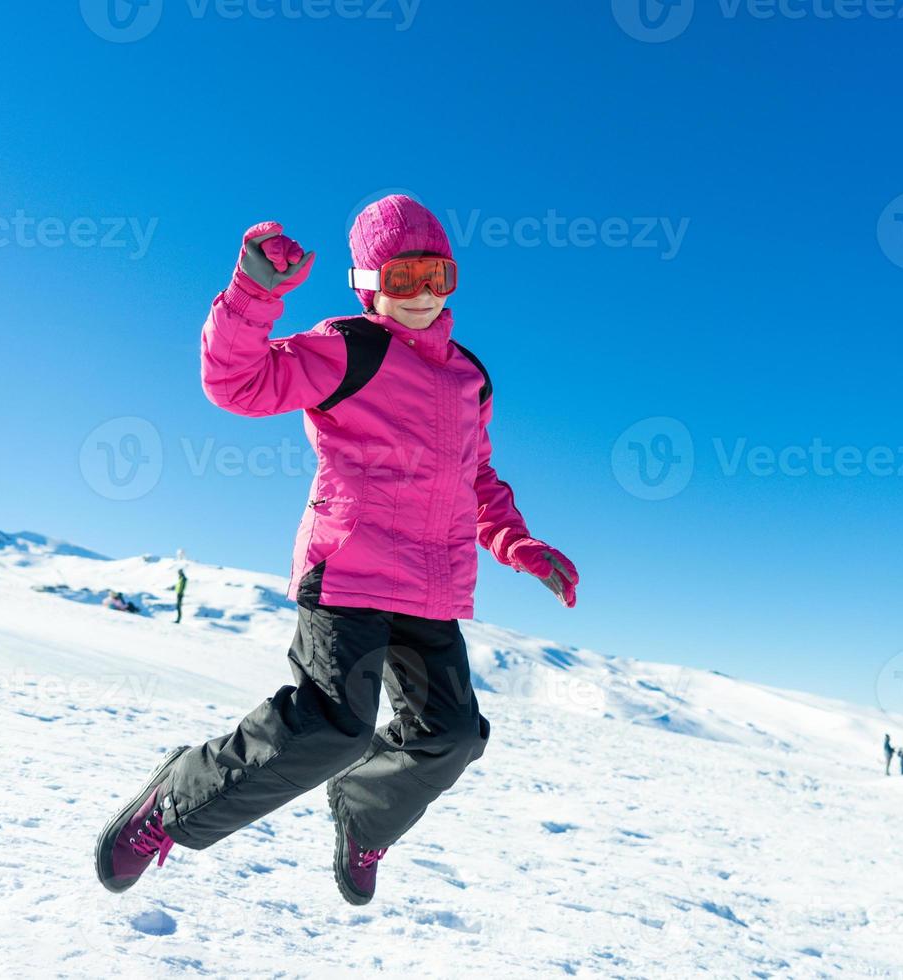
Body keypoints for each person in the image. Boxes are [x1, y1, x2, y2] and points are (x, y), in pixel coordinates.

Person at [96, 197, 579, 906]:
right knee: (330, 725)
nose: (422, 295)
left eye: (438, 276)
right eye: (403, 277)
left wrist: (520, 543)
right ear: (367, 282)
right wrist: (255, 293)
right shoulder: (347, 347)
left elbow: (476, 479)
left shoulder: (468, 377)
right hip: (349, 568)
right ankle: (169, 805)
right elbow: (238, 381)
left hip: (429, 586)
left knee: (449, 737)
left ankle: (362, 815)